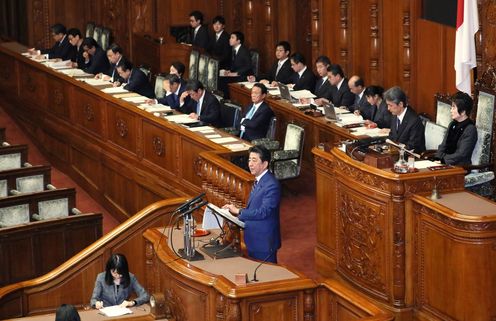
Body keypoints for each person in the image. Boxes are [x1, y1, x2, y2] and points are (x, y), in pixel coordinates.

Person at [223, 145, 281, 263]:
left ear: (264, 164)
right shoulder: (259, 181)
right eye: (249, 160)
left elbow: (264, 212)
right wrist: (234, 215)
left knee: (267, 276)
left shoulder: (271, 185)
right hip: (254, 238)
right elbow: (254, 207)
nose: (250, 164)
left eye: (254, 160)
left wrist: (239, 211)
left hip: (264, 241)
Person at [435, 91, 477, 165]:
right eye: (451, 107)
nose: (451, 110)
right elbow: (443, 145)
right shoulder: (452, 124)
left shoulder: (470, 129)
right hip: (445, 163)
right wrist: (437, 158)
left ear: (463, 111)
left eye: (454, 107)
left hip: (459, 167)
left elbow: (461, 154)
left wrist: (443, 161)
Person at [385, 86, 426, 153]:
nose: (388, 108)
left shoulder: (414, 121)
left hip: (412, 158)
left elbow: (412, 146)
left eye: (390, 105)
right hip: (396, 154)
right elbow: (392, 136)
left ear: (401, 104)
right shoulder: (394, 115)